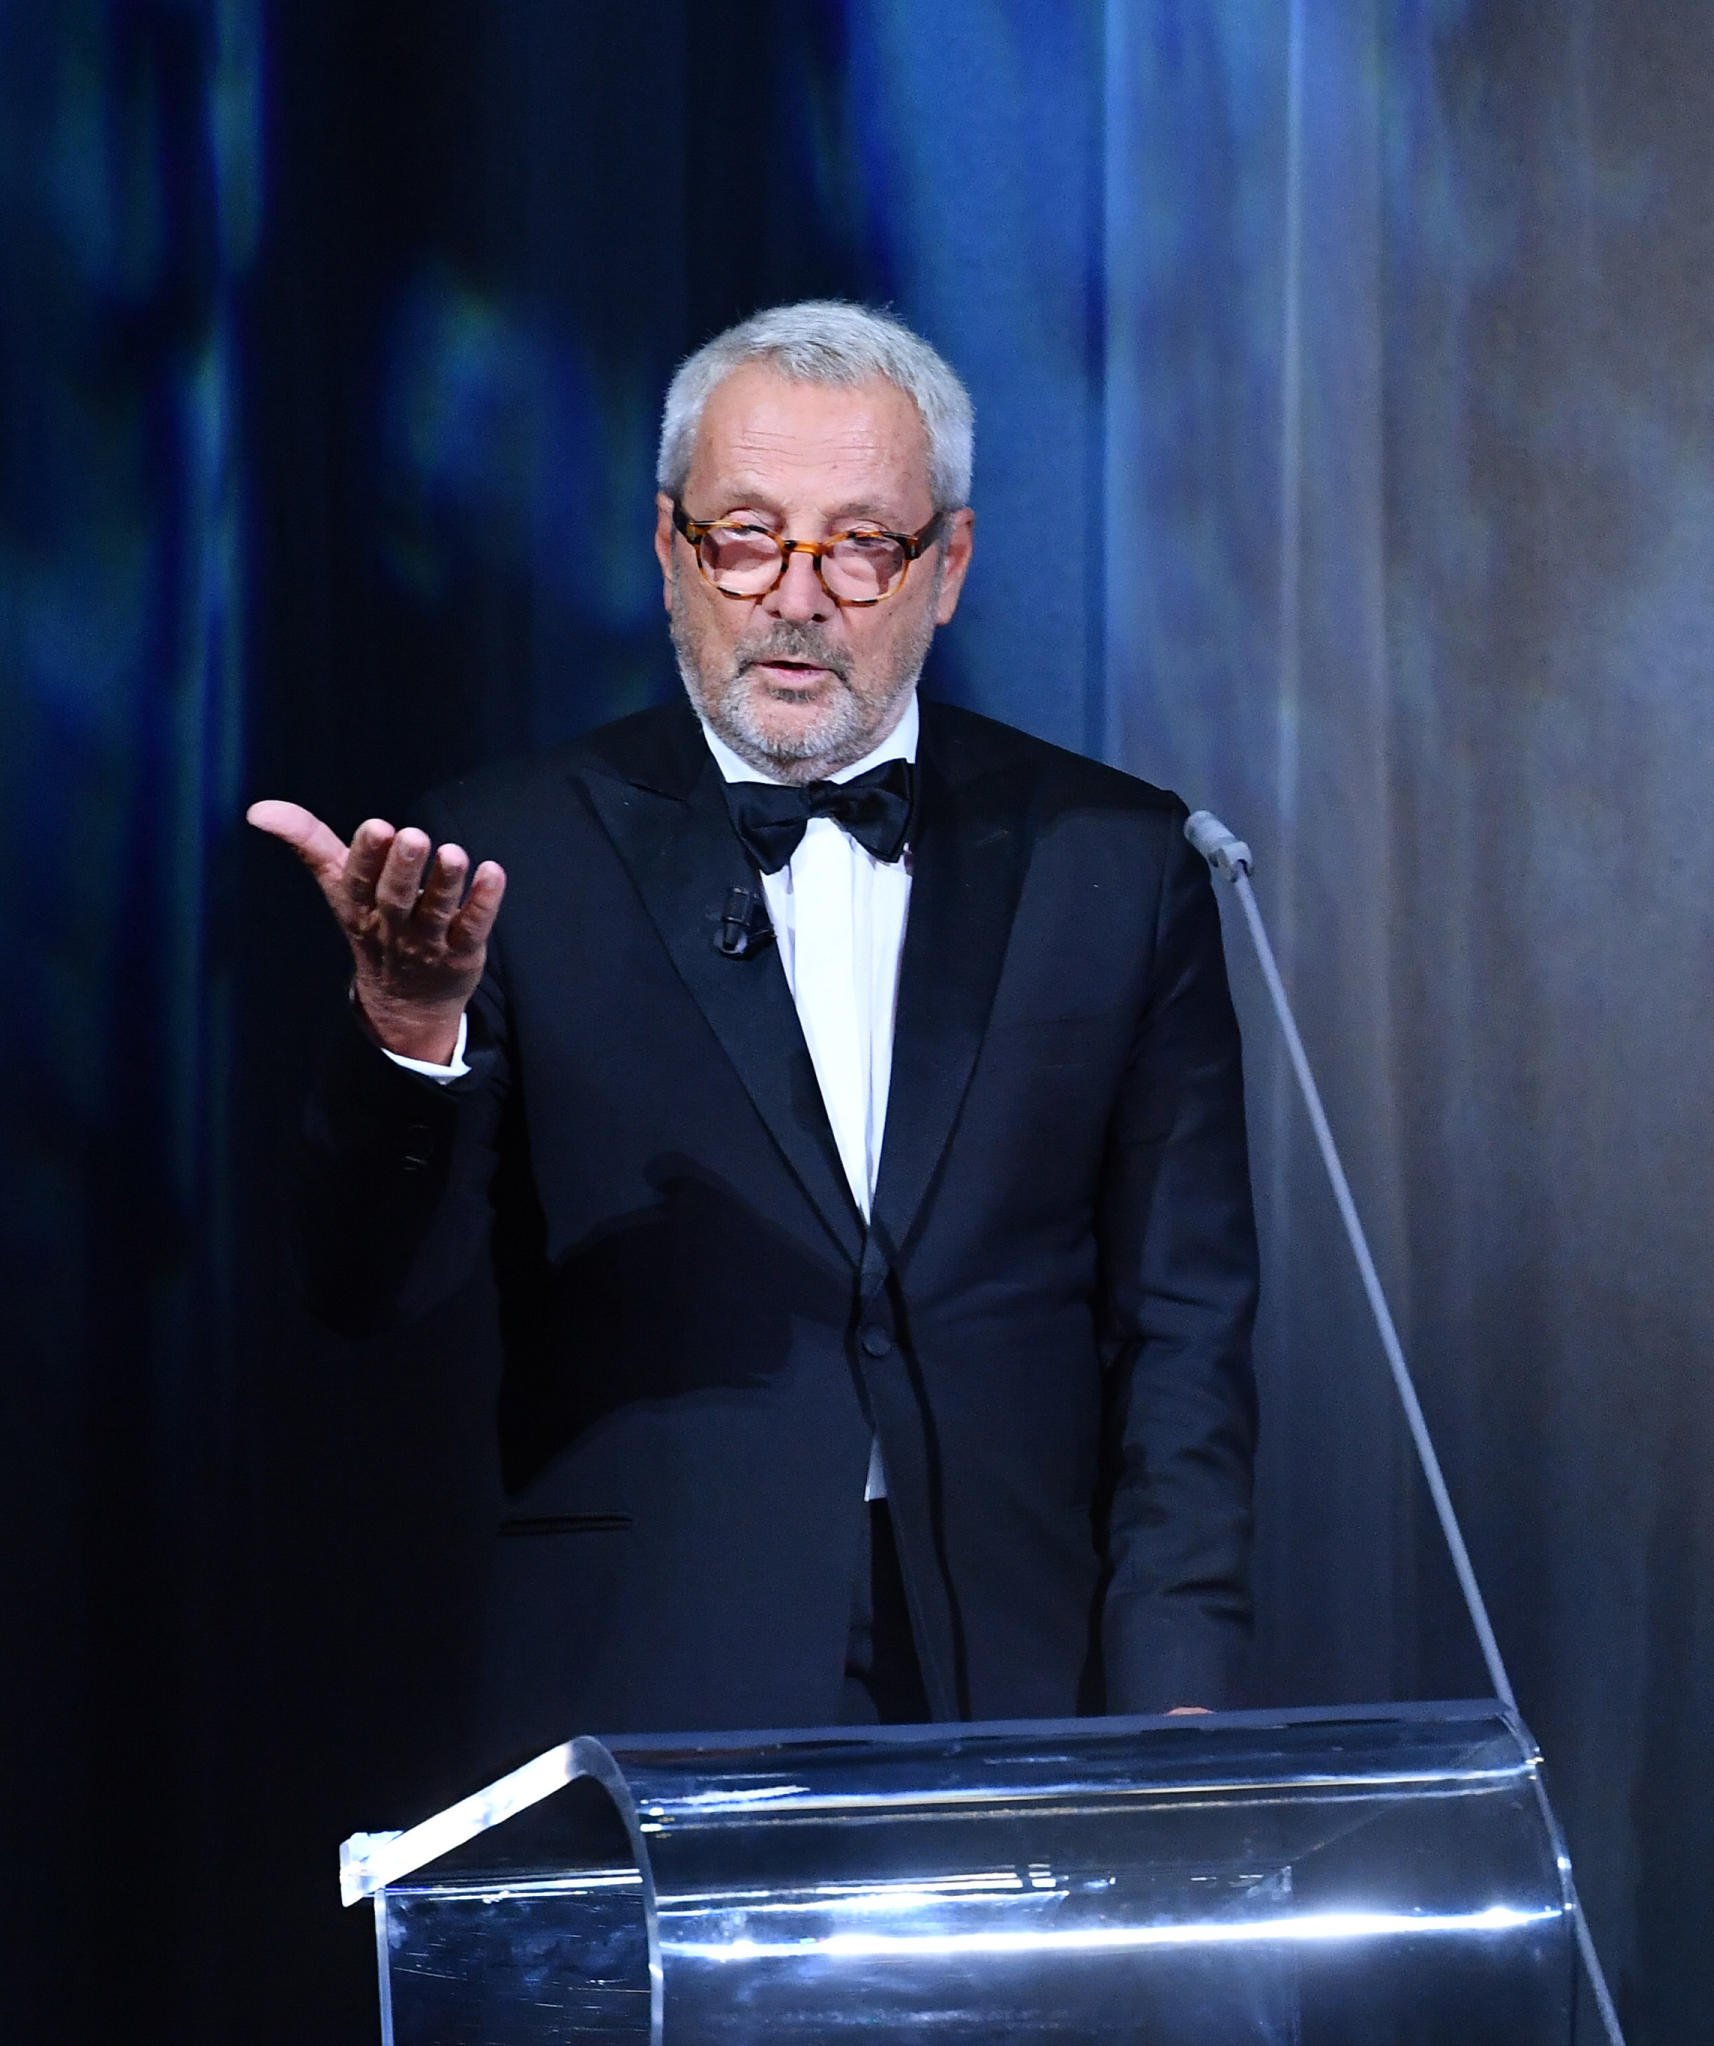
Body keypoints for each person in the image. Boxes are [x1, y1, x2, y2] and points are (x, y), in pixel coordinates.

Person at [251, 302, 1257, 1755]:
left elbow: (1186, 1339)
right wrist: (407, 1027)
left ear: (949, 566)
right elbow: (362, 1292)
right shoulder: (504, 855)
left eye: (861, 544)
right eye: (744, 536)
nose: (797, 596)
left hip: (1028, 1680)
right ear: (669, 552)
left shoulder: (1120, 859)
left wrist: (1183, 1700)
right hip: (648, 1685)